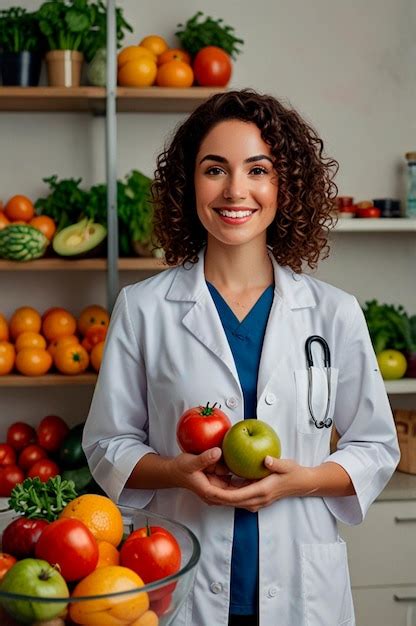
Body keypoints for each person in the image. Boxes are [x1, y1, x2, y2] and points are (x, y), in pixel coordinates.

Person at [83, 89, 400, 626]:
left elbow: (375, 446)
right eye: (215, 169)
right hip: (180, 575)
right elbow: (108, 444)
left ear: (285, 185)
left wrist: (302, 480)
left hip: (304, 584)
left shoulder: (333, 313)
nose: (236, 190)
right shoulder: (144, 308)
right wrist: (180, 474)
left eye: (258, 170)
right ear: (190, 184)